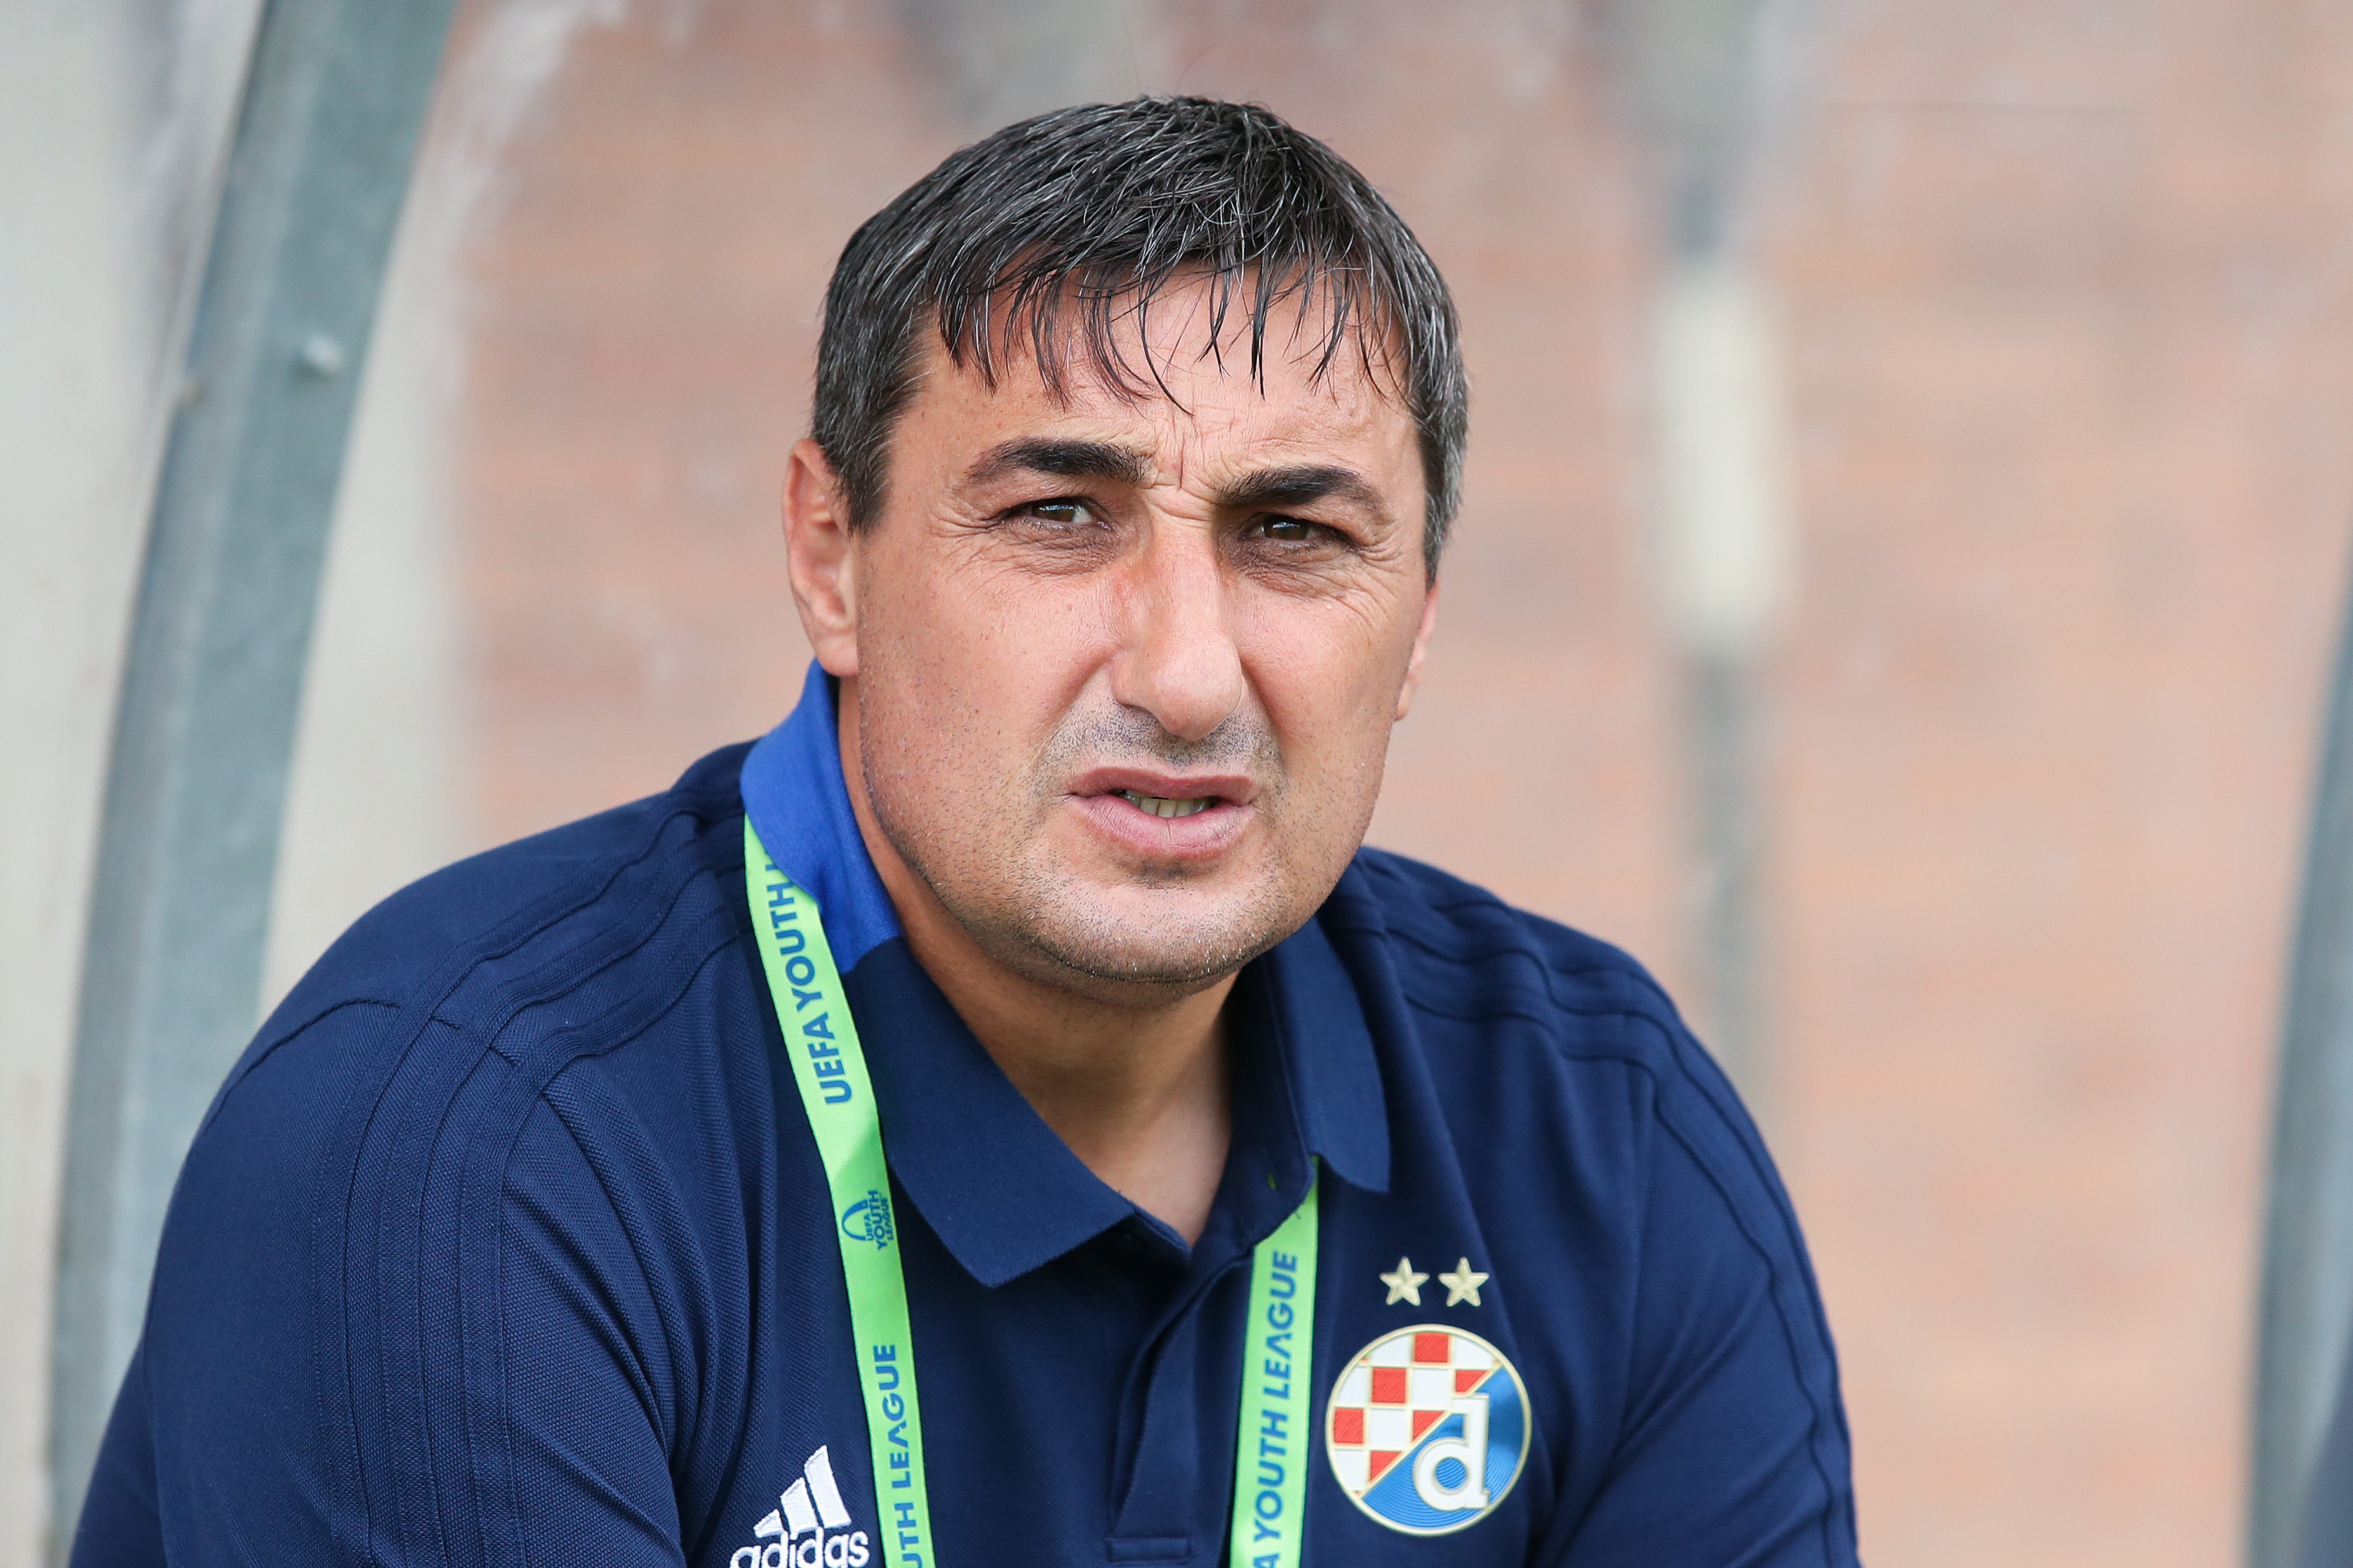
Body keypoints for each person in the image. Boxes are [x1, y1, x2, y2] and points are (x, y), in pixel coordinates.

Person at [72, 97, 1857, 1567]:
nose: (1182, 670)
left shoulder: (1597, 1135)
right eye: (1061, 514)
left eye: (1294, 534)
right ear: (827, 554)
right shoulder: (460, 1149)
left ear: (1424, 619)